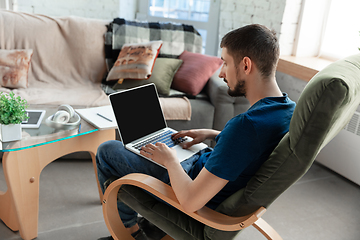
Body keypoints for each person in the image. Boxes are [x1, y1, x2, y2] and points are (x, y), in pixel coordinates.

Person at [96, 24, 296, 240]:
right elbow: (254, 147)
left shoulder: (246, 125)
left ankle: (131, 232)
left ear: (246, 65)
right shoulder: (287, 109)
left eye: (226, 63)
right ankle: (152, 227)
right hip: (205, 167)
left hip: (192, 184)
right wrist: (212, 134)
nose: (221, 73)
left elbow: (191, 201)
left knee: (107, 150)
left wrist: (170, 161)